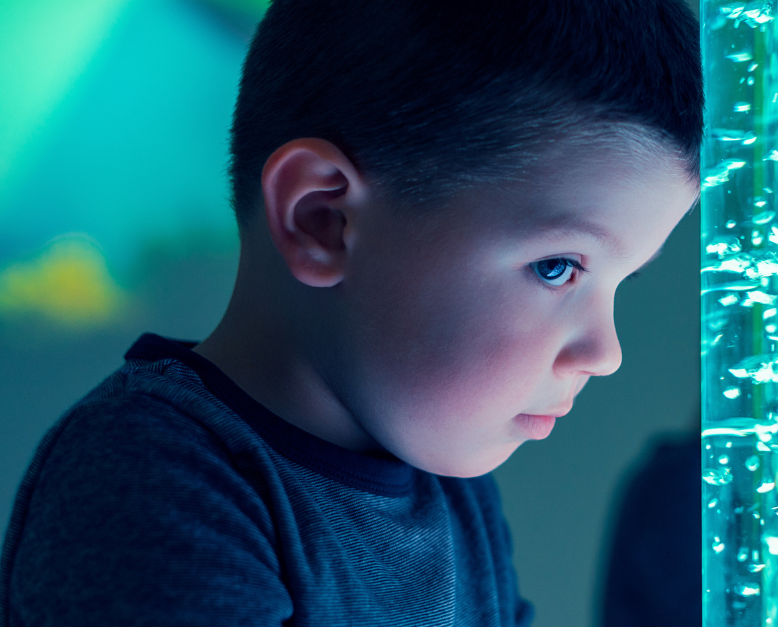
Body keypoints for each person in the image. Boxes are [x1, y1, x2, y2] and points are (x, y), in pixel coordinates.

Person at [0, 0, 700, 624]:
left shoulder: (456, 499)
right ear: (323, 218)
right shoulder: (153, 487)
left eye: (622, 281)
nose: (605, 351)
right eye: (559, 267)